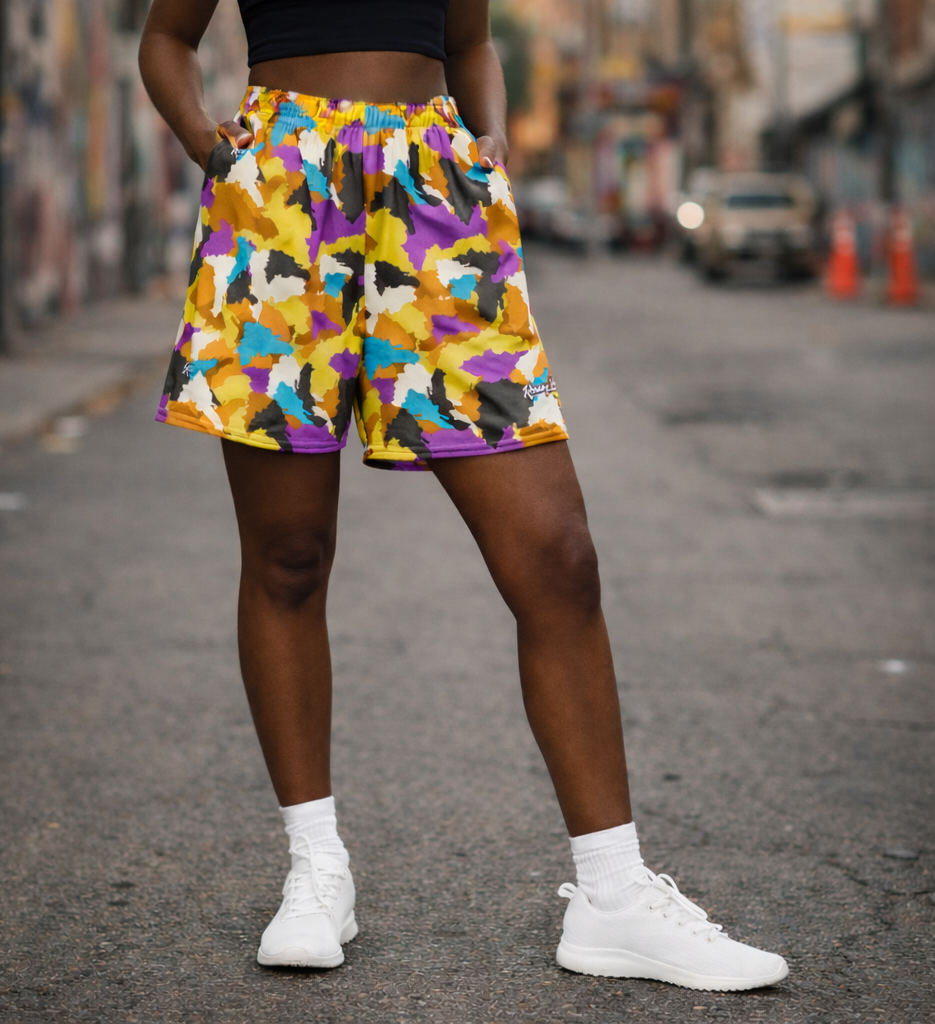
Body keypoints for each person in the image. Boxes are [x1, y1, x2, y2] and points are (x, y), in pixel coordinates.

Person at [138, 0, 788, 990]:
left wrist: (487, 142)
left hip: (435, 198)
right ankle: (317, 871)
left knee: (556, 553)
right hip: (277, 190)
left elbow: (472, 42)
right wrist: (210, 148)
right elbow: (164, 39)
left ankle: (612, 895)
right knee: (287, 555)